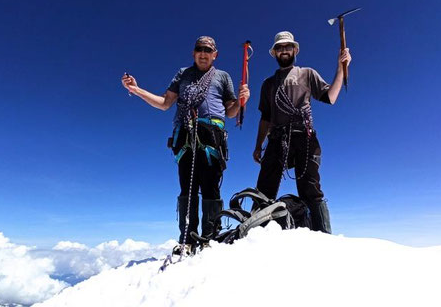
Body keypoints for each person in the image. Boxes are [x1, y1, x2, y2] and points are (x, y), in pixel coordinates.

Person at [121, 36, 250, 254]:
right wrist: (137, 90)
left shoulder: (223, 77)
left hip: (212, 135)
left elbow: (230, 111)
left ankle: (210, 237)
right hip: (185, 135)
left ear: (215, 54)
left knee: (210, 186)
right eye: (199, 49)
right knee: (187, 188)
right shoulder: (183, 74)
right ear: (193, 53)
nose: (203, 53)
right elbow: (164, 103)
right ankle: (188, 239)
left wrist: (240, 101)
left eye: (208, 50)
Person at [252, 31, 351, 234]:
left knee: (310, 189)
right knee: (264, 188)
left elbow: (330, 97)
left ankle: (324, 237)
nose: (284, 50)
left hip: (304, 136)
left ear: (295, 49)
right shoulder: (268, 84)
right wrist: (258, 146)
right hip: (277, 138)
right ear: (275, 53)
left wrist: (342, 68)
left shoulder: (307, 73)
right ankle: (254, 235)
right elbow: (265, 118)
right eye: (279, 47)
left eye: (287, 46)